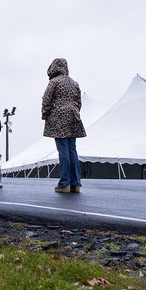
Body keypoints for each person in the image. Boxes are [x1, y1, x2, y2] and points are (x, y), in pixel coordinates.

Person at [41, 57, 86, 193]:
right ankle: (75, 183)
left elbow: (46, 99)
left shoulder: (54, 82)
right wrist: (74, 111)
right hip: (73, 116)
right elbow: (79, 102)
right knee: (72, 150)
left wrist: (45, 114)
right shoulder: (74, 83)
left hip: (58, 118)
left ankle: (64, 183)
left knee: (63, 150)